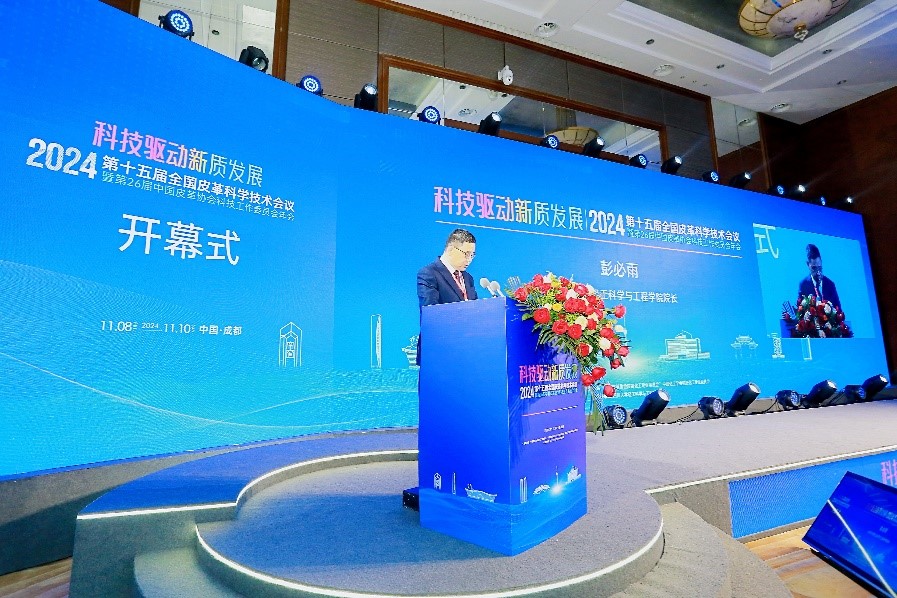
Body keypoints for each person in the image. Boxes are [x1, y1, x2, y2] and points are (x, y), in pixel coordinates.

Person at [415, 229, 478, 365]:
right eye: (466, 254)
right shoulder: (428, 273)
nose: (469, 260)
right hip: (439, 349)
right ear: (451, 249)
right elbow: (431, 313)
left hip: (467, 351)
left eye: (472, 255)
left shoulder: (468, 278)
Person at [798, 243, 842, 310]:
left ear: (821, 262)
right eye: (814, 268)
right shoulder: (803, 285)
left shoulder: (830, 285)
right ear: (808, 264)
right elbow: (799, 310)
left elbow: (839, 311)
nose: (818, 272)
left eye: (820, 268)